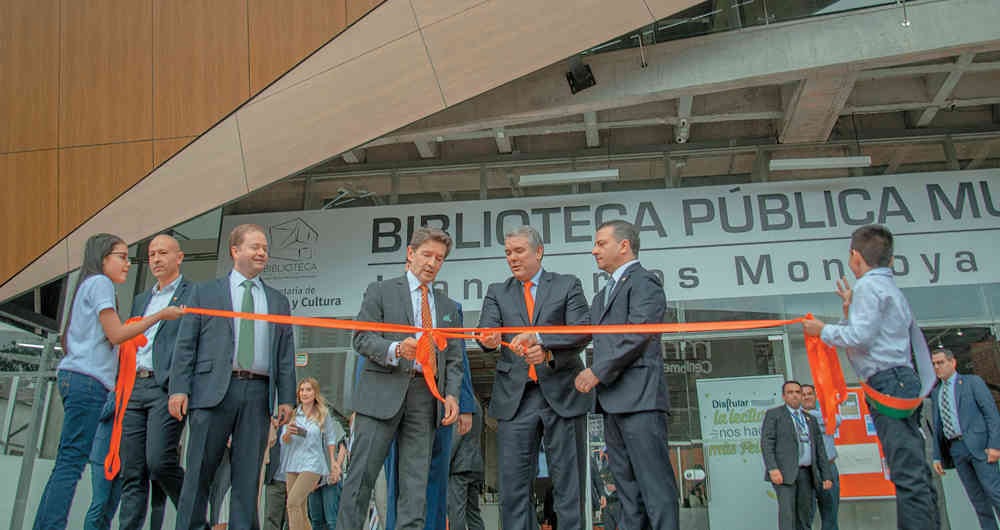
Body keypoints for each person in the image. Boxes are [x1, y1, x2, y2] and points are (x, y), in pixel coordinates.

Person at [33, 233, 183, 530]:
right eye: (122, 256)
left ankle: (46, 523)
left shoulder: (86, 287)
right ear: (103, 259)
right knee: (72, 464)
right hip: (88, 382)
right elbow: (115, 333)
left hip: (76, 379)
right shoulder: (101, 284)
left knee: (68, 461)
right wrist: (160, 316)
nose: (128, 264)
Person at [803, 224, 937, 530]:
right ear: (889, 259)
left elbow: (860, 336)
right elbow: (871, 332)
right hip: (899, 380)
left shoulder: (868, 287)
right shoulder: (885, 288)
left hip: (888, 383)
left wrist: (822, 330)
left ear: (855, 256)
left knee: (906, 471)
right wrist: (849, 308)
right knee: (914, 469)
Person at [169, 223, 297, 530]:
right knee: (199, 472)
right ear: (235, 251)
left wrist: (288, 398)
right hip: (212, 392)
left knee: (247, 477)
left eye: (265, 248)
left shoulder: (278, 301)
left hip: (257, 394)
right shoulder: (204, 292)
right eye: (255, 247)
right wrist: (179, 389)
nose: (262, 253)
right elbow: (186, 345)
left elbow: (285, 355)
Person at [336, 226, 463, 530]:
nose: (432, 263)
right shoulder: (380, 291)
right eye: (426, 255)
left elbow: (455, 359)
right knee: (360, 477)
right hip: (381, 392)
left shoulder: (447, 307)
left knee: (415, 485)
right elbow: (362, 338)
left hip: (425, 398)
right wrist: (395, 348)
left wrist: (453, 395)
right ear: (410, 253)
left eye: (439, 258)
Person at [478, 225, 592, 530]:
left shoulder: (568, 285)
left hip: (563, 393)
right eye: (507, 253)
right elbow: (486, 330)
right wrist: (487, 338)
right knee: (513, 489)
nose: (512, 258)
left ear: (538, 252)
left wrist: (545, 346)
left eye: (519, 251)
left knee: (569, 486)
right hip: (516, 399)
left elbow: (582, 329)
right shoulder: (496, 292)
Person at [574, 220, 679, 530]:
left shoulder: (645, 282)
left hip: (642, 401)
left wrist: (597, 371)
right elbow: (578, 333)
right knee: (626, 490)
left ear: (624, 245)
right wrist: (539, 340)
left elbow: (638, 334)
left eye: (601, 243)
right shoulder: (601, 296)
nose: (594, 250)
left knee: (655, 487)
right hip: (612, 404)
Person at [119, 234, 192, 529]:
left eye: (163, 253)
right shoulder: (141, 299)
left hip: (164, 388)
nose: (156, 260)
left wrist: (181, 387)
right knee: (132, 472)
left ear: (180, 257)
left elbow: (189, 345)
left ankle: (195, 516)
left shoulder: (192, 295)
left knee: (159, 463)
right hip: (133, 387)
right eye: (151, 255)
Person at [930, 347, 1000, 530]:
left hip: (980, 448)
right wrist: (937, 456)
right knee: (977, 500)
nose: (937, 367)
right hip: (956, 449)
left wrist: (995, 446)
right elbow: (938, 426)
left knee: (995, 493)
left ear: (952, 362)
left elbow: (992, 415)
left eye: (941, 363)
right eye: (934, 364)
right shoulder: (937, 392)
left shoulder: (972, 382)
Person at [761, 381, 833, 530]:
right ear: (784, 396)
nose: (794, 395)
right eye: (790, 392)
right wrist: (772, 468)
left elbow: (820, 449)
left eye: (797, 392)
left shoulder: (810, 419)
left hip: (806, 473)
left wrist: (826, 475)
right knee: (788, 515)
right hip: (784, 473)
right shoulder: (775, 415)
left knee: (804, 515)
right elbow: (767, 443)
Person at [281, 377, 343, 530]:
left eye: (308, 389)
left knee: (293, 503)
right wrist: (288, 433)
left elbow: (330, 438)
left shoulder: (323, 413)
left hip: (313, 463)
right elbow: (284, 440)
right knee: (300, 507)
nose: (304, 393)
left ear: (315, 393)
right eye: (302, 390)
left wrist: (333, 462)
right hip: (293, 462)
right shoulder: (294, 414)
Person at [801, 383, 841, 530]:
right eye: (803, 394)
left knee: (830, 516)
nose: (806, 397)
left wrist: (811, 418)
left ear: (815, 396)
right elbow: (829, 422)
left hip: (828, 469)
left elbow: (837, 421)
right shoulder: (796, 417)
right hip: (806, 471)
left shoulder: (826, 412)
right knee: (805, 516)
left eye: (809, 393)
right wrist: (824, 421)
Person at [84, 392, 123, 530]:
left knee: (111, 508)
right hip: (103, 455)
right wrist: (118, 396)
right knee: (99, 504)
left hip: (123, 458)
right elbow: (100, 414)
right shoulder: (111, 390)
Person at [448, 395, 485, 530]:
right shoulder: (476, 402)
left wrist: (444, 464)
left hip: (459, 467)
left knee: (456, 514)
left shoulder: (462, 401)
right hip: (475, 465)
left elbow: (455, 438)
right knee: (473, 513)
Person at [265, 418, 289, 530]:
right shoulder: (275, 421)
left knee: (294, 521)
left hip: (296, 480)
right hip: (275, 479)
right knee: (271, 521)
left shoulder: (304, 420)